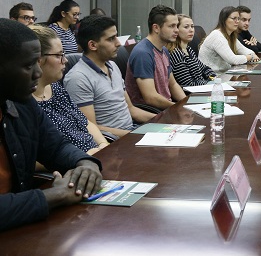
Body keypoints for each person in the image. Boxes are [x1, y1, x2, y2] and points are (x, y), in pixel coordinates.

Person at [0, 19, 102, 232]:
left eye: (37, 63)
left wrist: (86, 163)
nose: (38, 73)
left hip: (22, 229)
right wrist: (54, 196)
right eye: (28, 66)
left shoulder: (23, 104)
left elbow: (56, 147)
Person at [64, 15, 156, 137]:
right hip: (113, 141)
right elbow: (90, 128)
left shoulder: (112, 66)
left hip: (131, 131)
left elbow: (131, 109)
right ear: (92, 45)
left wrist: (165, 120)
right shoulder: (78, 78)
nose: (118, 43)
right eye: (111, 39)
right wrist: (136, 135)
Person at [29, 25, 109, 154]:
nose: (65, 60)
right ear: (39, 60)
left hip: (95, 154)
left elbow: (85, 122)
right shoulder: (24, 103)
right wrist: (81, 157)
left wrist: (103, 144)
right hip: (74, 162)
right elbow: (31, 155)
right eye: (59, 55)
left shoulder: (55, 87)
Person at [125, 5, 187, 110]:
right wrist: (179, 108)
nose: (177, 30)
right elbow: (151, 98)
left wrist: (187, 105)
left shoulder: (164, 50)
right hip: (152, 113)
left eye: (177, 26)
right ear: (156, 28)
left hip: (166, 108)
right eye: (171, 26)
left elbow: (173, 84)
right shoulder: (143, 53)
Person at [199, 6, 259, 72]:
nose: (237, 21)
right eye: (234, 18)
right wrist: (251, 57)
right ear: (224, 20)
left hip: (222, 73)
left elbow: (243, 49)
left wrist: (252, 54)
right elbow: (233, 60)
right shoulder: (217, 36)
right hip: (211, 75)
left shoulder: (231, 35)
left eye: (238, 19)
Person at [167, 14, 216, 87]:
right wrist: (210, 83)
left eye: (192, 26)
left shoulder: (188, 49)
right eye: (186, 27)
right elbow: (188, 84)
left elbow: (204, 68)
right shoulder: (176, 53)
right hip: (191, 92)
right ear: (176, 30)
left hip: (202, 88)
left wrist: (213, 78)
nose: (191, 30)